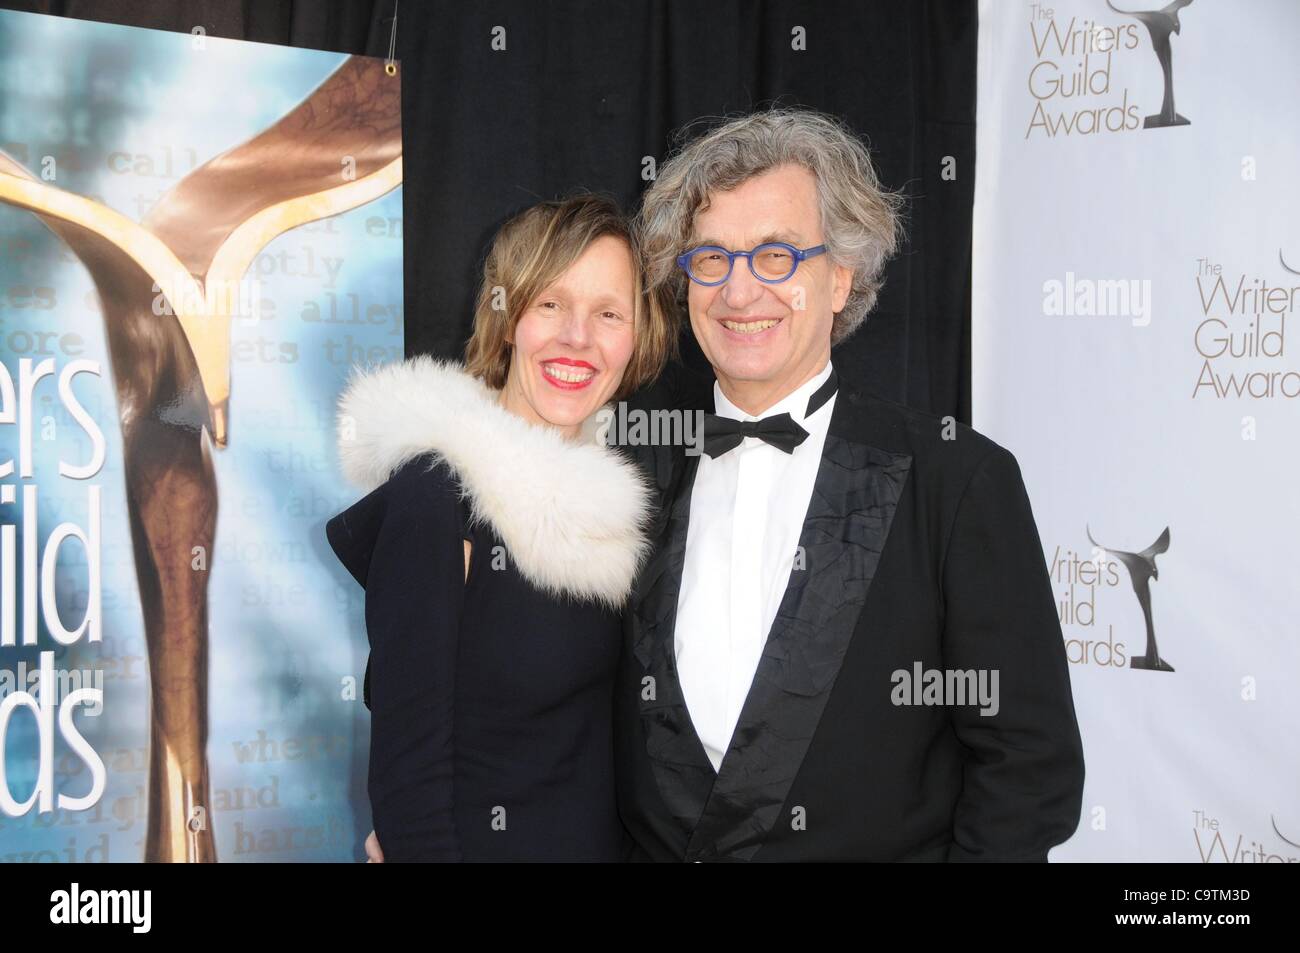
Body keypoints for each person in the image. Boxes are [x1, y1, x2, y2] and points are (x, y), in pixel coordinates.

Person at [612, 107, 1086, 861]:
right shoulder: (628, 469)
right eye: (711, 258)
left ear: (840, 278)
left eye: (776, 257)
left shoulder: (957, 480)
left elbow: (1029, 770)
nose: (739, 293)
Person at [327, 194, 674, 861]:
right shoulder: (441, 495)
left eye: (608, 313)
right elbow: (408, 775)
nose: (577, 336)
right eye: (550, 302)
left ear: (637, 339)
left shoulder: (630, 510)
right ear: (508, 315)